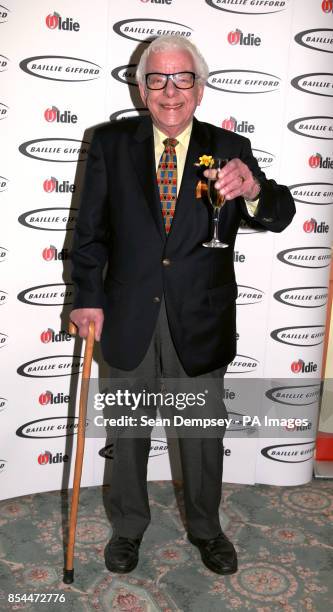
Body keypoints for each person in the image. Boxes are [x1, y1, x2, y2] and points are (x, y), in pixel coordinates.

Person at [70, 35, 295, 576]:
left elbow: (279, 212)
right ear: (141, 87)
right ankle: (127, 528)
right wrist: (86, 298)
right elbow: (89, 234)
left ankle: (206, 529)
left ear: (201, 86)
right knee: (127, 434)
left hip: (200, 318)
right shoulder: (109, 143)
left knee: (200, 436)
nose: (171, 91)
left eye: (183, 78)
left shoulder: (228, 145)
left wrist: (255, 189)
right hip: (127, 318)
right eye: (158, 79)